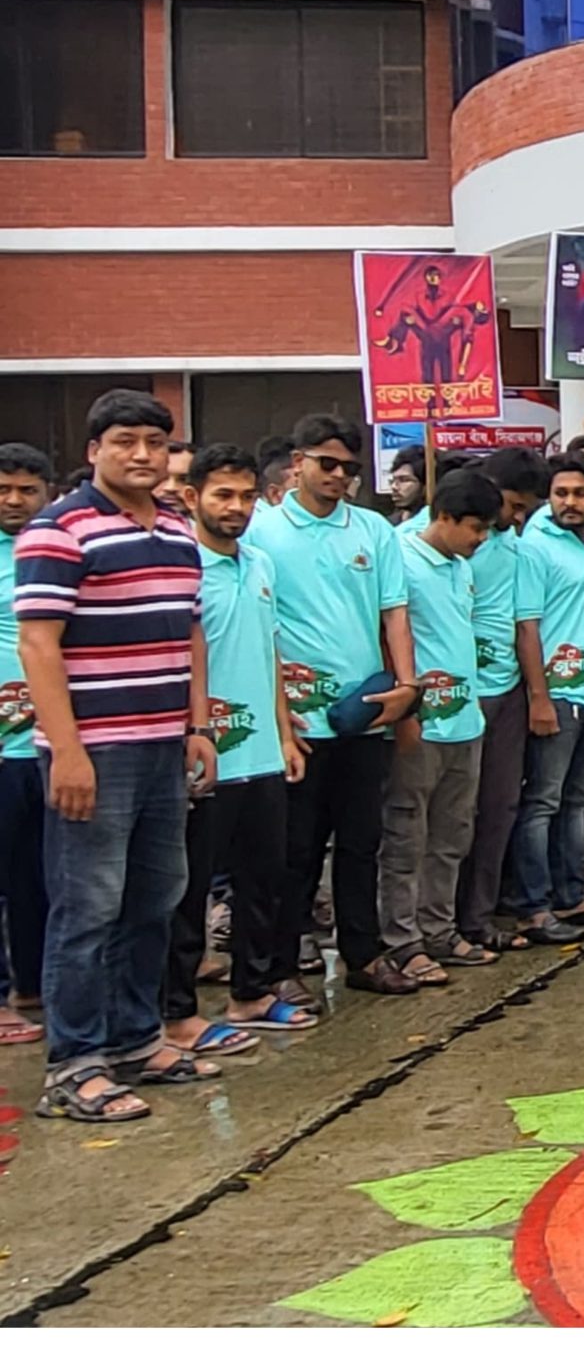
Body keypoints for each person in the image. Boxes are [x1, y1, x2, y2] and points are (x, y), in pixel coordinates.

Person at [14, 390, 219, 1119]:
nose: (142, 454)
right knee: (88, 909)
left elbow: (189, 632)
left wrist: (197, 725)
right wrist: (67, 751)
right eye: (125, 441)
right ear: (94, 450)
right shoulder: (58, 530)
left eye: (155, 443)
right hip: (95, 753)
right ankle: (74, 1065)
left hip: (162, 745)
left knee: (154, 898)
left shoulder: (176, 527)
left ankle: (137, 1040)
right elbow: (38, 644)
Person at [244, 413, 420, 994]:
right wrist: (277, 714)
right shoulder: (261, 532)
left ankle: (363, 956)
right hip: (298, 718)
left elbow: (394, 613)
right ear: (298, 463)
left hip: (363, 712)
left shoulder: (372, 529)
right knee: (295, 849)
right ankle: (283, 966)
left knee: (361, 842)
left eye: (349, 467)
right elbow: (259, 627)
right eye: (327, 463)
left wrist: (406, 690)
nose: (339, 476)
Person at [162, 443, 311, 1052]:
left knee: (263, 880)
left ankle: (251, 993)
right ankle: (176, 1014)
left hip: (263, 756)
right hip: (205, 755)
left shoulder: (260, 564)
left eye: (247, 496)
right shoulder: (180, 566)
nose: (237, 507)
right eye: (223, 495)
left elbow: (269, 652)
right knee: (188, 891)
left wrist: (284, 734)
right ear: (191, 497)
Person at [418, 446, 547, 961]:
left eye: (523, 510)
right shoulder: (421, 544)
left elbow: (526, 626)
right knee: (434, 818)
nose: (514, 519)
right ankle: (430, 923)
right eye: (512, 506)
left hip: (501, 692)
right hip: (440, 700)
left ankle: (476, 916)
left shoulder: (517, 551)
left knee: (496, 808)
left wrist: (537, 695)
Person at [379, 468, 502, 985]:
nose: (481, 539)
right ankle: (401, 941)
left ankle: (439, 929)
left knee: (452, 835)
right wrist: (405, 708)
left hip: (464, 719)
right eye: (475, 528)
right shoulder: (399, 558)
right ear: (445, 517)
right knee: (406, 835)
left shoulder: (460, 566)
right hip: (421, 722)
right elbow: (388, 634)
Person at [509, 450, 584, 942]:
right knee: (543, 801)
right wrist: (539, 697)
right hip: (559, 694)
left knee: (578, 799)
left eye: (580, 493)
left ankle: (573, 896)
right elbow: (527, 627)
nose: (569, 502)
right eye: (560, 493)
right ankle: (534, 906)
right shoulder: (535, 546)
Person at [0, 443, 50, 1046]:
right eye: (3, 489)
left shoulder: (55, 550)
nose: (14, 500)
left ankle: (34, 986)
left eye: (26, 490)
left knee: (42, 874)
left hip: (50, 744)